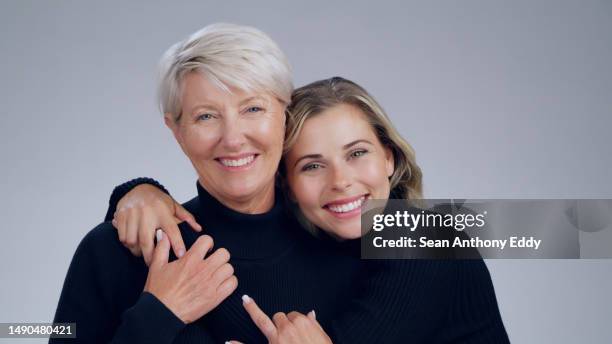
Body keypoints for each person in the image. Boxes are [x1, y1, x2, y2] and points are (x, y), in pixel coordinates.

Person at [104, 74, 509, 343]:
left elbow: (248, 321)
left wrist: (151, 211)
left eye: (358, 153)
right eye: (312, 165)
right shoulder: (314, 247)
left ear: (389, 157)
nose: (340, 181)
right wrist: (139, 193)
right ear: (287, 184)